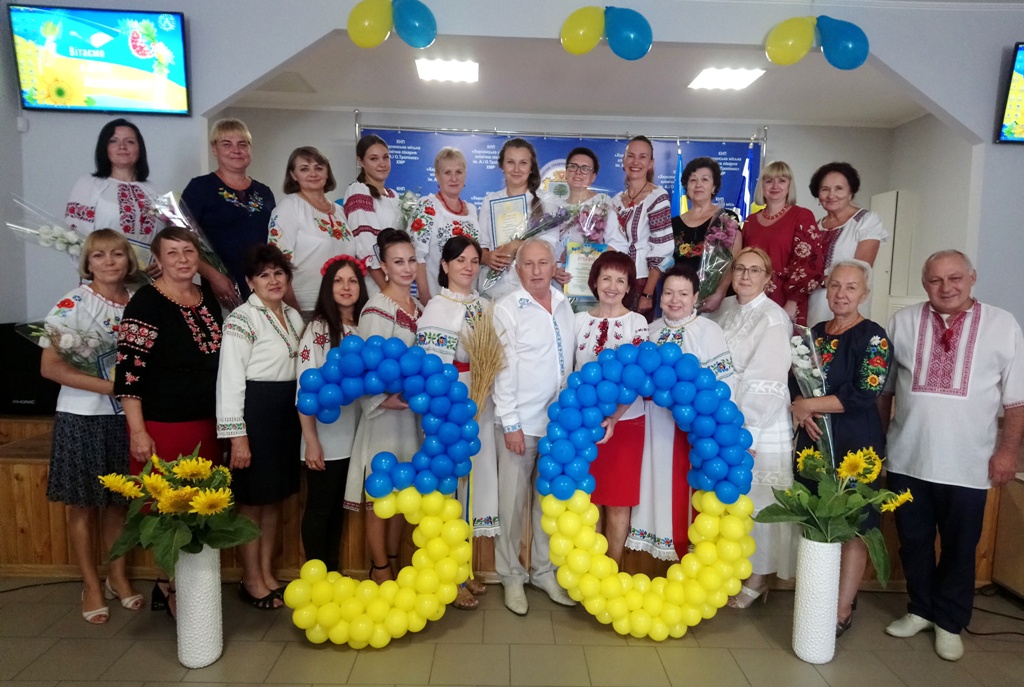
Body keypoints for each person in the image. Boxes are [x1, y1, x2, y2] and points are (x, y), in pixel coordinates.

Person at [879, 250, 1024, 662]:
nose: (946, 287)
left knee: (961, 547)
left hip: (970, 462)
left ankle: (949, 622)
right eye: (935, 280)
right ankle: (921, 610)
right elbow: (884, 391)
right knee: (913, 542)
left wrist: (1007, 452)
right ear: (924, 283)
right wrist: (879, 446)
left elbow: (1016, 401)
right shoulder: (903, 322)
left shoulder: (1002, 325)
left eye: (955, 278)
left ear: (972, 278)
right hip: (908, 457)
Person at [114, 227, 224, 616]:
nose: (182, 259)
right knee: (167, 512)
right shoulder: (145, 302)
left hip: (205, 423)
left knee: (199, 508)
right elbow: (128, 374)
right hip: (162, 426)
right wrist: (138, 431)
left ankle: (183, 585)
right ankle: (172, 585)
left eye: (188, 251)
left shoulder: (206, 298)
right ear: (158, 260)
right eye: (172, 253)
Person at [40, 229, 143, 624]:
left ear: (129, 260)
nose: (109, 261)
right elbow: (50, 368)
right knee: (83, 505)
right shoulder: (72, 304)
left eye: (117, 253)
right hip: (81, 417)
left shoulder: (138, 301)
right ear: (87, 263)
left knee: (118, 502)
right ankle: (91, 584)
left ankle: (117, 575)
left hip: (125, 418)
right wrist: (110, 387)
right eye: (99, 255)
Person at [791, 260, 891, 636]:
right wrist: (801, 410)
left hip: (856, 444)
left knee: (855, 524)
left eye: (851, 287)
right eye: (835, 286)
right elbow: (795, 384)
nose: (841, 294)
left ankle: (842, 607)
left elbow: (866, 391)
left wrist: (807, 405)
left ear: (864, 294)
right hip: (814, 441)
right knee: (816, 518)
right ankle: (816, 595)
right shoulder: (813, 334)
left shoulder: (874, 336)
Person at [626, 263, 734, 561]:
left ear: (695, 297)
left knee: (686, 486)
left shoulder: (709, 331)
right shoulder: (649, 330)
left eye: (683, 294)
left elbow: (725, 385)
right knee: (652, 481)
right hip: (651, 423)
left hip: (692, 431)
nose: (675, 300)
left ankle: (687, 552)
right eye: (669, 293)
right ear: (660, 297)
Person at [216, 244, 304, 609]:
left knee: (274, 501)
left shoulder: (294, 317)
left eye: (278, 273)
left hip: (286, 415)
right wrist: (238, 437)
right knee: (252, 502)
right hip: (256, 414)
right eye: (264, 275)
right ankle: (250, 578)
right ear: (250, 282)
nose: (273, 280)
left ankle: (266, 573)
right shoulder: (241, 319)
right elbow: (230, 380)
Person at [492, 238, 576, 615]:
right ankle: (511, 575)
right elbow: (501, 369)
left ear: (555, 266)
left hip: (559, 425)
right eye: (529, 264)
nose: (537, 270)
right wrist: (510, 423)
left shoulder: (564, 303)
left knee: (548, 505)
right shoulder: (507, 308)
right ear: (518, 269)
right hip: (521, 424)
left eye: (544, 263)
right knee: (511, 506)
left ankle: (543, 571)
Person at [417, 235, 499, 609]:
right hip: (448, 402)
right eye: (460, 260)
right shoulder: (436, 308)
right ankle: (447, 577)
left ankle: (462, 570)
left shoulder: (485, 306)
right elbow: (431, 368)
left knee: (469, 487)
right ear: (445, 265)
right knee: (447, 488)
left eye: (473, 260)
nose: (468, 266)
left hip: (479, 399)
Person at [712, 247, 796, 606]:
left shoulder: (773, 318)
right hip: (724, 417)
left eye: (755, 270)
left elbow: (769, 379)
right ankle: (732, 570)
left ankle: (758, 578)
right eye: (740, 269)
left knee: (758, 503)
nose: (746, 276)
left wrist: (749, 433)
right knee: (731, 502)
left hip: (758, 423)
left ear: (768, 278)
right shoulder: (728, 309)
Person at [350, 229, 423, 582]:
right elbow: (363, 367)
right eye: (398, 262)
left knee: (403, 490)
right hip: (384, 416)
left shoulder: (419, 308)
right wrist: (382, 400)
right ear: (384, 266)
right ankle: (379, 567)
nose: (407, 268)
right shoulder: (376, 309)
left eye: (411, 260)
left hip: (411, 416)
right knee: (381, 491)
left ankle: (393, 560)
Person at [572, 251, 649, 564]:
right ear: (594, 282)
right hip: (583, 425)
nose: (612, 286)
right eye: (606, 278)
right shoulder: (577, 320)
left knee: (618, 503)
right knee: (587, 502)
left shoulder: (637, 322)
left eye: (620, 280)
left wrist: (614, 417)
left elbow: (638, 377)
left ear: (629, 286)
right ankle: (590, 572)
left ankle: (612, 572)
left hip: (626, 424)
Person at [298, 255, 369, 572]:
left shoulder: (366, 327)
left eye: (352, 281)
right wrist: (311, 440)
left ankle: (333, 574)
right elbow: (305, 388)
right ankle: (316, 577)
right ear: (328, 287)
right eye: (338, 281)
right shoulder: (318, 328)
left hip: (357, 435)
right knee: (320, 508)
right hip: (325, 438)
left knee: (339, 509)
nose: (346, 287)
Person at [182, 118, 276, 306]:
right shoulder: (200, 188)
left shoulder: (264, 192)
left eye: (243, 144)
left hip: (263, 287)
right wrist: (213, 276)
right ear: (214, 149)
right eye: (227, 144)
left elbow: (274, 240)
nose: (236, 150)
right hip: (223, 290)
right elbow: (181, 240)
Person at [65, 118, 162, 274]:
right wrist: (92, 270)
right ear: (105, 147)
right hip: (105, 276)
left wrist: (162, 261)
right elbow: (75, 236)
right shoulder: (89, 184)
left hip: (148, 278)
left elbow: (165, 235)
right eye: (113, 141)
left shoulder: (153, 190)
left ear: (139, 148)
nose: (122, 146)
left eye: (130, 141)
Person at [268, 146, 350, 315]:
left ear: (327, 173)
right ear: (293, 175)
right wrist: (293, 311)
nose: (313, 174)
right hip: (305, 307)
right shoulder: (289, 207)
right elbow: (276, 263)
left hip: (342, 306)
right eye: (304, 169)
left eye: (319, 168)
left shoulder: (341, 212)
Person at [740, 161, 824, 325]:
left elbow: (811, 262)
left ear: (789, 185)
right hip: (753, 297)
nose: (775, 186)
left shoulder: (802, 216)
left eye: (782, 181)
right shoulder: (751, 221)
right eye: (769, 181)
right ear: (762, 185)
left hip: (786, 299)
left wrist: (792, 301)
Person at [806, 162, 888, 326]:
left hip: (848, 302)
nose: (831, 195)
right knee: (814, 339)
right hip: (814, 304)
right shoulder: (814, 226)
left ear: (851, 192)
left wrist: (816, 282)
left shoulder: (866, 220)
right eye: (825, 189)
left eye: (839, 188)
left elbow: (861, 268)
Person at [478, 138, 553, 300]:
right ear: (501, 165)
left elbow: (550, 247)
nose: (516, 169)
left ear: (531, 167)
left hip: (530, 291)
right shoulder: (489, 201)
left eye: (523, 163)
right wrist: (486, 257)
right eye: (510, 162)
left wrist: (515, 245)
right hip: (492, 290)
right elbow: (482, 244)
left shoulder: (546, 202)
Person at [409, 147, 481, 304]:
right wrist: (426, 298)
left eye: (459, 172)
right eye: (447, 172)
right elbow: (417, 256)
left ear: (465, 175)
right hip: (436, 298)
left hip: (469, 299)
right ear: (437, 176)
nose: (454, 178)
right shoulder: (427, 206)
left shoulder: (472, 210)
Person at [611, 136, 672, 316]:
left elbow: (663, 249)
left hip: (642, 281)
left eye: (642, 157)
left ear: (651, 163)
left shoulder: (657, 197)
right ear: (623, 161)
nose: (635, 162)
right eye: (630, 156)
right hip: (614, 280)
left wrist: (648, 293)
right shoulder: (615, 201)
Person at [672, 156, 741, 314]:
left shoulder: (726, 219)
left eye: (705, 179)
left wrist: (720, 293)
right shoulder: (674, 224)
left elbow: (735, 261)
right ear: (686, 186)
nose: (698, 185)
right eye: (693, 180)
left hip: (718, 302)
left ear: (714, 186)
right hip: (681, 302)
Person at [547, 147, 624, 280]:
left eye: (585, 168)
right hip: (557, 281)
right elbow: (547, 246)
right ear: (566, 172)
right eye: (573, 166)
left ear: (593, 176)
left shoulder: (603, 204)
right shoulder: (555, 207)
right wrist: (553, 271)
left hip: (590, 278)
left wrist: (579, 252)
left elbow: (619, 247)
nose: (578, 172)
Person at [342, 134, 401, 293]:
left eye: (385, 157)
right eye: (374, 159)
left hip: (395, 278)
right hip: (375, 284)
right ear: (361, 161)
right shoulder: (359, 190)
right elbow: (365, 244)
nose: (382, 164)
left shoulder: (394, 196)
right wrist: (388, 291)